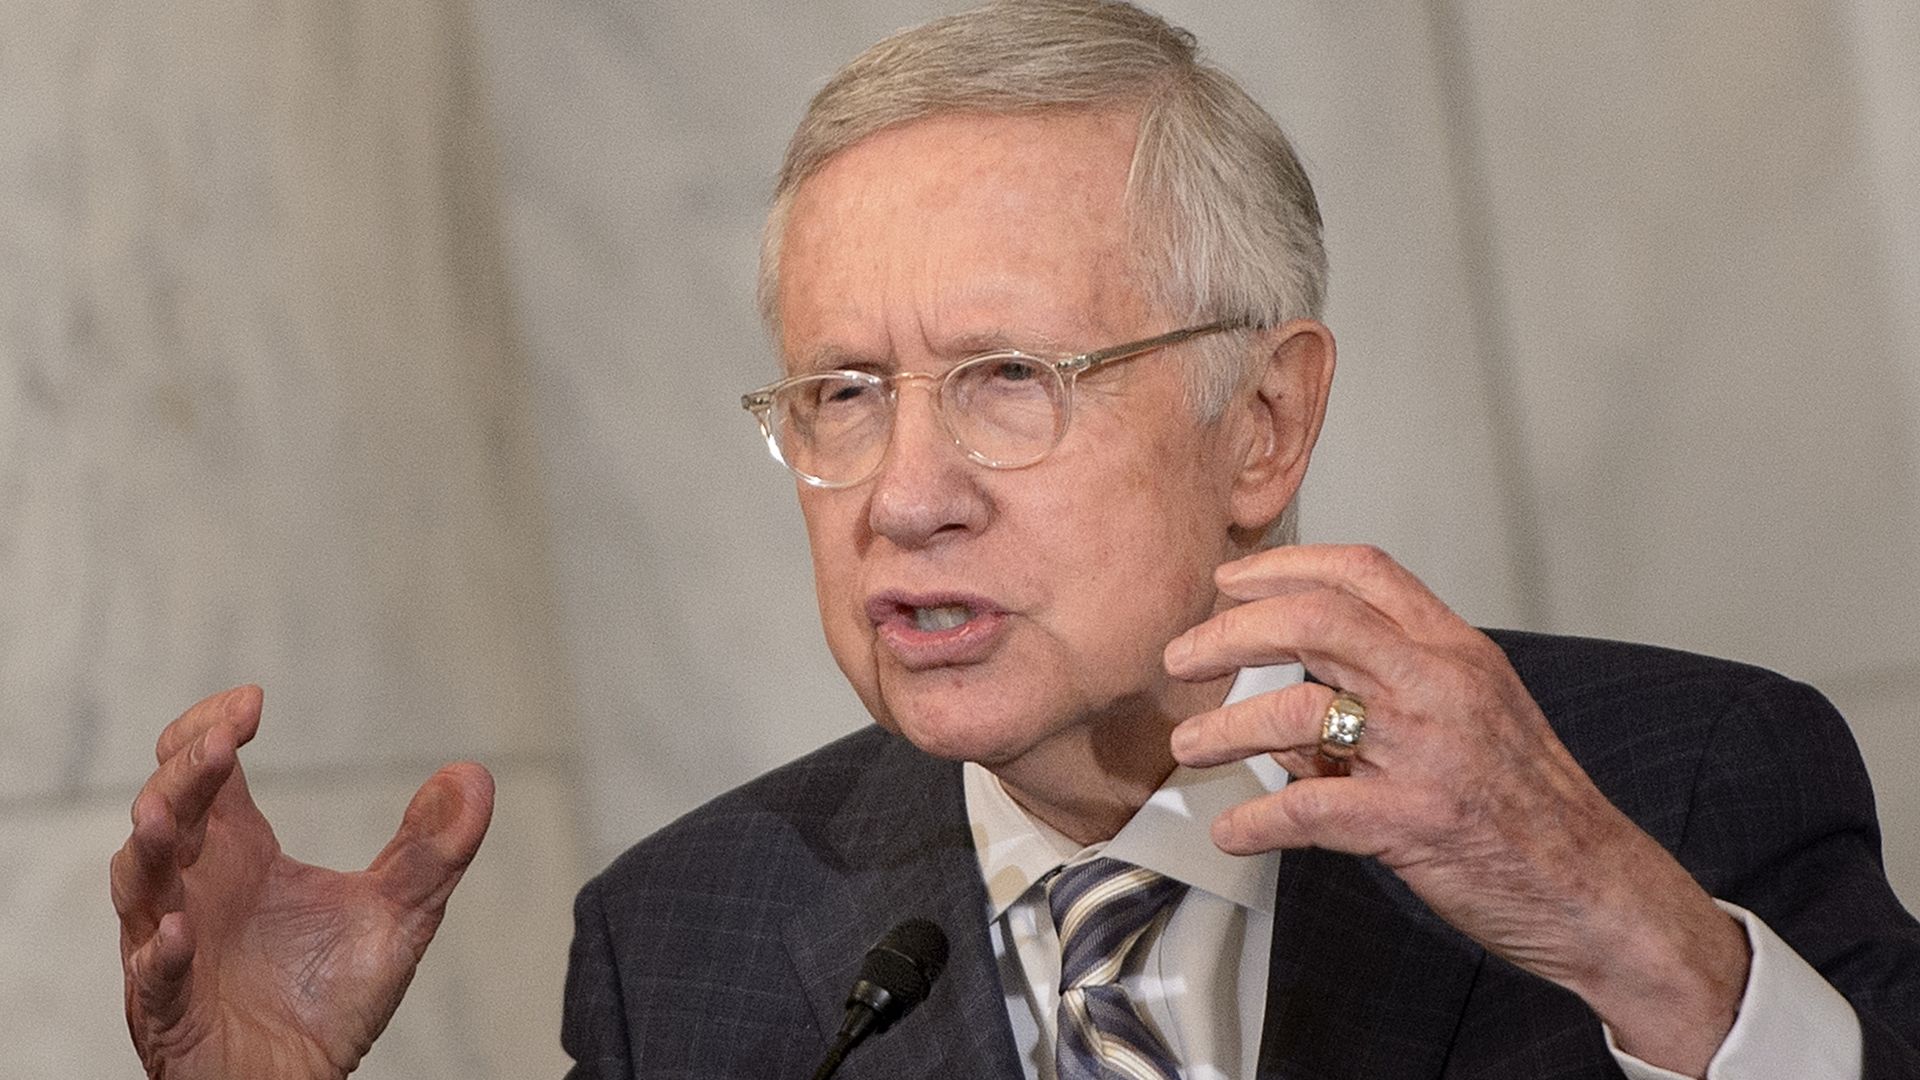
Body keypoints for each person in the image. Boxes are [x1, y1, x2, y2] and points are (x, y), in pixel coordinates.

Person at [113, 2, 1920, 1078]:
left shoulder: (1680, 788)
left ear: (1265, 423)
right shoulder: (688, 954)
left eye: (1007, 379)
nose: (906, 493)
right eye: (839, 394)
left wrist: (1648, 952)